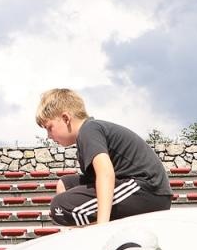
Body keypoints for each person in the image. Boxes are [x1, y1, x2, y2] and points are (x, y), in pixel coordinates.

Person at [35, 88, 172, 227]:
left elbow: (105, 174)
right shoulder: (87, 133)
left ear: (66, 118)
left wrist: (102, 226)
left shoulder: (89, 131)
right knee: (65, 184)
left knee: (61, 208)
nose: (49, 136)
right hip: (138, 188)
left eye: (49, 127)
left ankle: (99, 234)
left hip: (148, 191)